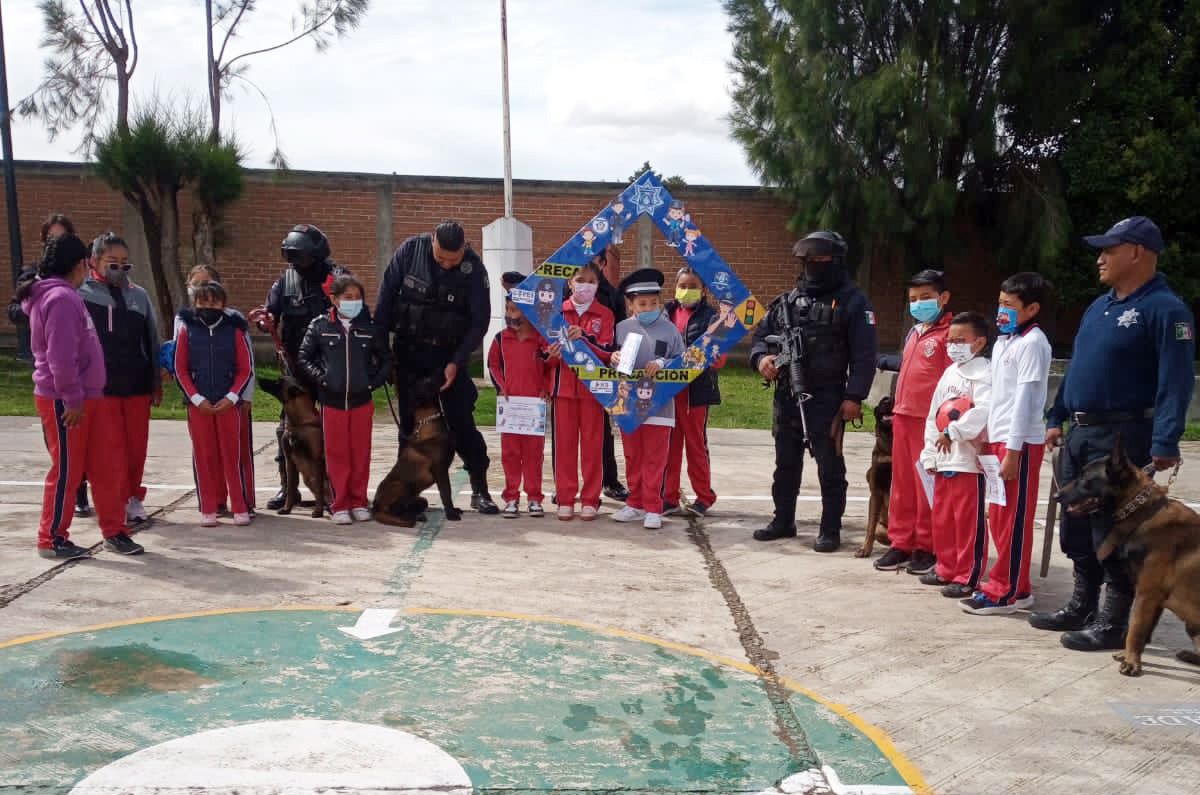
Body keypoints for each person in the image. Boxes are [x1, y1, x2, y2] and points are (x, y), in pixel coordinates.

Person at [1032, 216, 1195, 649]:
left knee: (1114, 531)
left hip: (1124, 436)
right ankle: (1081, 604)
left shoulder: (1166, 309)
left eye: (1109, 249)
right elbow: (1077, 368)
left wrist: (1165, 440)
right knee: (1076, 525)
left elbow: (1176, 381)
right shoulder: (1099, 307)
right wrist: (1056, 416)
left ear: (1137, 253)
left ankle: (1113, 622)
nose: (1100, 259)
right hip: (1081, 433)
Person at [750, 230, 878, 552]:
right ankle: (783, 521)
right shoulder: (787, 302)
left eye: (821, 259)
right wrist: (762, 359)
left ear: (835, 261)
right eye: (809, 260)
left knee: (830, 466)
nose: (814, 265)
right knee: (785, 464)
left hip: (828, 397)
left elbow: (864, 355)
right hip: (787, 395)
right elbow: (761, 337)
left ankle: (830, 529)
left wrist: (854, 396)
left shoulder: (853, 301)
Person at [17, 234, 142, 558]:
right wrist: (72, 398)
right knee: (68, 470)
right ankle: (51, 538)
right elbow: (60, 357)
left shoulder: (67, 295)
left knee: (105, 466)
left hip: (88, 396)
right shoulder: (60, 298)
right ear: (80, 265)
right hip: (66, 399)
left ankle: (115, 530)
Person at [375, 220, 499, 514]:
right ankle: (405, 494)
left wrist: (457, 361)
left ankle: (479, 489)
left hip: (448, 356)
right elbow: (385, 303)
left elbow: (479, 322)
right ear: (432, 240)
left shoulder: (473, 268)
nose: (446, 265)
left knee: (460, 422)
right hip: (409, 353)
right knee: (409, 427)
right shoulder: (409, 251)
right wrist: (383, 354)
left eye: (453, 260)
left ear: (463, 249)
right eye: (441, 258)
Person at [959, 273, 1054, 615]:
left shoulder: (1033, 343)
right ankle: (1013, 584)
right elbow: (1000, 396)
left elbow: (1025, 401)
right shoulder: (1004, 342)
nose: (1001, 310)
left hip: (1020, 444)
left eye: (1009, 305)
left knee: (1014, 519)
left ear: (1032, 308)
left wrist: (1013, 452)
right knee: (999, 515)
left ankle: (1007, 591)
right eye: (1000, 303)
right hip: (998, 440)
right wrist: (987, 439)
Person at [249, 224, 345, 512]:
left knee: (332, 428)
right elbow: (270, 313)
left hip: (331, 367)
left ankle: (335, 488)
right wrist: (264, 321)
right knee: (288, 428)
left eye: (300, 257)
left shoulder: (338, 277)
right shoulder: (285, 282)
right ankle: (286, 487)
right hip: (296, 368)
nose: (295, 263)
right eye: (290, 256)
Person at [78, 233, 162, 528]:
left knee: (136, 448)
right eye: (112, 261)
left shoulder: (139, 296)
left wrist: (155, 381)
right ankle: (113, 502)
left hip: (137, 384)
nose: (120, 268)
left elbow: (152, 339)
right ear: (94, 261)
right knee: (110, 450)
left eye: (125, 262)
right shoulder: (81, 295)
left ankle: (133, 497)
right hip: (101, 388)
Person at [873, 269, 953, 572]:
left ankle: (926, 545)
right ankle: (901, 541)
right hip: (903, 417)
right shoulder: (915, 332)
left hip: (928, 421)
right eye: (914, 299)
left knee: (924, 484)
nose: (919, 304)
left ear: (943, 298)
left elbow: (952, 381)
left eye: (926, 297)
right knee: (902, 484)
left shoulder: (950, 334)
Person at [298, 274, 393, 525]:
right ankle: (339, 504)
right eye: (347, 297)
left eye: (357, 297)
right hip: (332, 402)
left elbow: (386, 359)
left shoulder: (369, 327)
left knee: (360, 453)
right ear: (334, 299)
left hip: (362, 400)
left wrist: (372, 382)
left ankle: (359, 501)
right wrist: (323, 379)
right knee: (337, 454)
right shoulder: (320, 325)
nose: (353, 301)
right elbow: (305, 357)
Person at [918, 311, 991, 599]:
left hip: (968, 459)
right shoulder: (950, 373)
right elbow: (933, 414)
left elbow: (982, 412)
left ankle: (967, 575)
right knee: (944, 518)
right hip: (944, 458)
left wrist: (954, 432)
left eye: (960, 340)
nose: (953, 345)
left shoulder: (985, 373)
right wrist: (929, 453)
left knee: (967, 521)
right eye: (950, 340)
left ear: (979, 342)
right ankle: (945, 567)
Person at [608, 268, 685, 530]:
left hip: (660, 404)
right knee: (632, 455)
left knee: (655, 457)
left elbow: (684, 360)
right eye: (642, 304)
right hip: (628, 402)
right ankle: (635, 503)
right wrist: (614, 357)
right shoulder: (621, 328)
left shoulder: (670, 330)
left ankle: (653, 506)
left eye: (653, 303)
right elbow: (611, 359)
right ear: (631, 305)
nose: (649, 308)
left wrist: (663, 363)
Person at [178, 265, 258, 515]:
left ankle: (242, 503)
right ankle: (212, 503)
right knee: (205, 454)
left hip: (231, 399)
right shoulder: (184, 323)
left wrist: (240, 395)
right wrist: (193, 397)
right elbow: (180, 365)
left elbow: (247, 363)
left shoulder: (235, 323)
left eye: (208, 283)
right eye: (197, 284)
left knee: (235, 453)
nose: (204, 292)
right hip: (198, 400)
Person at [546, 263, 615, 520]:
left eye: (591, 281)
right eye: (579, 279)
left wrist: (584, 337)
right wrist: (551, 355)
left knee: (592, 447)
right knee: (564, 447)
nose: (585, 285)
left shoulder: (605, 314)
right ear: (569, 283)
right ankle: (565, 498)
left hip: (593, 391)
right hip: (562, 390)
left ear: (598, 285)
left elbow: (608, 352)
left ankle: (590, 499)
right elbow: (543, 355)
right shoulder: (555, 313)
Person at [663, 266, 725, 517]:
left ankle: (704, 496)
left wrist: (716, 356)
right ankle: (668, 497)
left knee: (696, 444)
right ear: (675, 287)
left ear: (704, 290)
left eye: (693, 286)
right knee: (669, 445)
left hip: (695, 392)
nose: (687, 290)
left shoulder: (712, 317)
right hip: (668, 390)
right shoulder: (664, 313)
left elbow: (719, 357)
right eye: (683, 286)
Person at [488, 292, 549, 518]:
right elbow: (493, 365)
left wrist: (545, 388)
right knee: (510, 453)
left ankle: (534, 498)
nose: (509, 314)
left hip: (534, 406)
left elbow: (550, 367)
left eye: (514, 310)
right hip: (510, 405)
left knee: (534, 454)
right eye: (507, 309)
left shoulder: (541, 340)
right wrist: (501, 387)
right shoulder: (500, 339)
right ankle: (511, 498)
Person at [592, 246, 630, 502]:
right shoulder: (565, 290)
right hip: (570, 373)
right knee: (566, 433)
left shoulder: (612, 296)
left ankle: (610, 480)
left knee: (604, 430)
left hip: (603, 370)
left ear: (603, 263)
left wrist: (618, 363)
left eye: (593, 261)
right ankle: (564, 486)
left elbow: (621, 334)